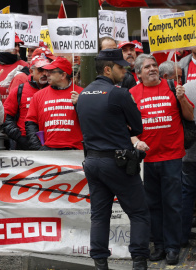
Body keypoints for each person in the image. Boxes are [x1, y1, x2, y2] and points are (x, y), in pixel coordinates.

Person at [76, 49, 150, 270]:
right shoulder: (119, 93)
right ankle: (139, 263)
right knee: (139, 213)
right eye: (120, 67)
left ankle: (100, 264)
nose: (124, 70)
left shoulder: (83, 95)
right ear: (108, 69)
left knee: (99, 215)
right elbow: (138, 128)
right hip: (117, 162)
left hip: (92, 162)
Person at [129, 54, 194, 265]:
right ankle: (159, 246)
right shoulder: (132, 94)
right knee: (153, 205)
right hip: (147, 159)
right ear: (138, 73)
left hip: (172, 156)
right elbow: (126, 127)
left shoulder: (172, 86)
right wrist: (135, 141)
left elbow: (190, 116)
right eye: (147, 67)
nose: (152, 69)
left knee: (173, 204)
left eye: (154, 65)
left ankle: (173, 247)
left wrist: (182, 97)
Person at [25, 57, 84, 150]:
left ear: (63, 75)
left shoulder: (81, 93)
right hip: (48, 151)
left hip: (74, 151)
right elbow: (31, 123)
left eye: (51, 71)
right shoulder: (38, 95)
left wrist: (79, 105)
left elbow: (91, 122)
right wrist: (37, 148)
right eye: (46, 71)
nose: (46, 74)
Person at [3, 56, 50, 150]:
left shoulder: (54, 90)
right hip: (25, 144)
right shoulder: (19, 90)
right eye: (40, 70)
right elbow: (6, 118)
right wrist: (20, 137)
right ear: (31, 71)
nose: (45, 73)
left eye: (47, 69)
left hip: (50, 142)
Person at [0, 35, 29, 103]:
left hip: (15, 112)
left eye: (18, 45)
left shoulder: (23, 65)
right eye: (14, 45)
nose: (17, 48)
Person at [181, 78, 196, 247]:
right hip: (190, 153)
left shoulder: (185, 88)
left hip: (189, 152)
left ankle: (182, 237)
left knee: (186, 194)